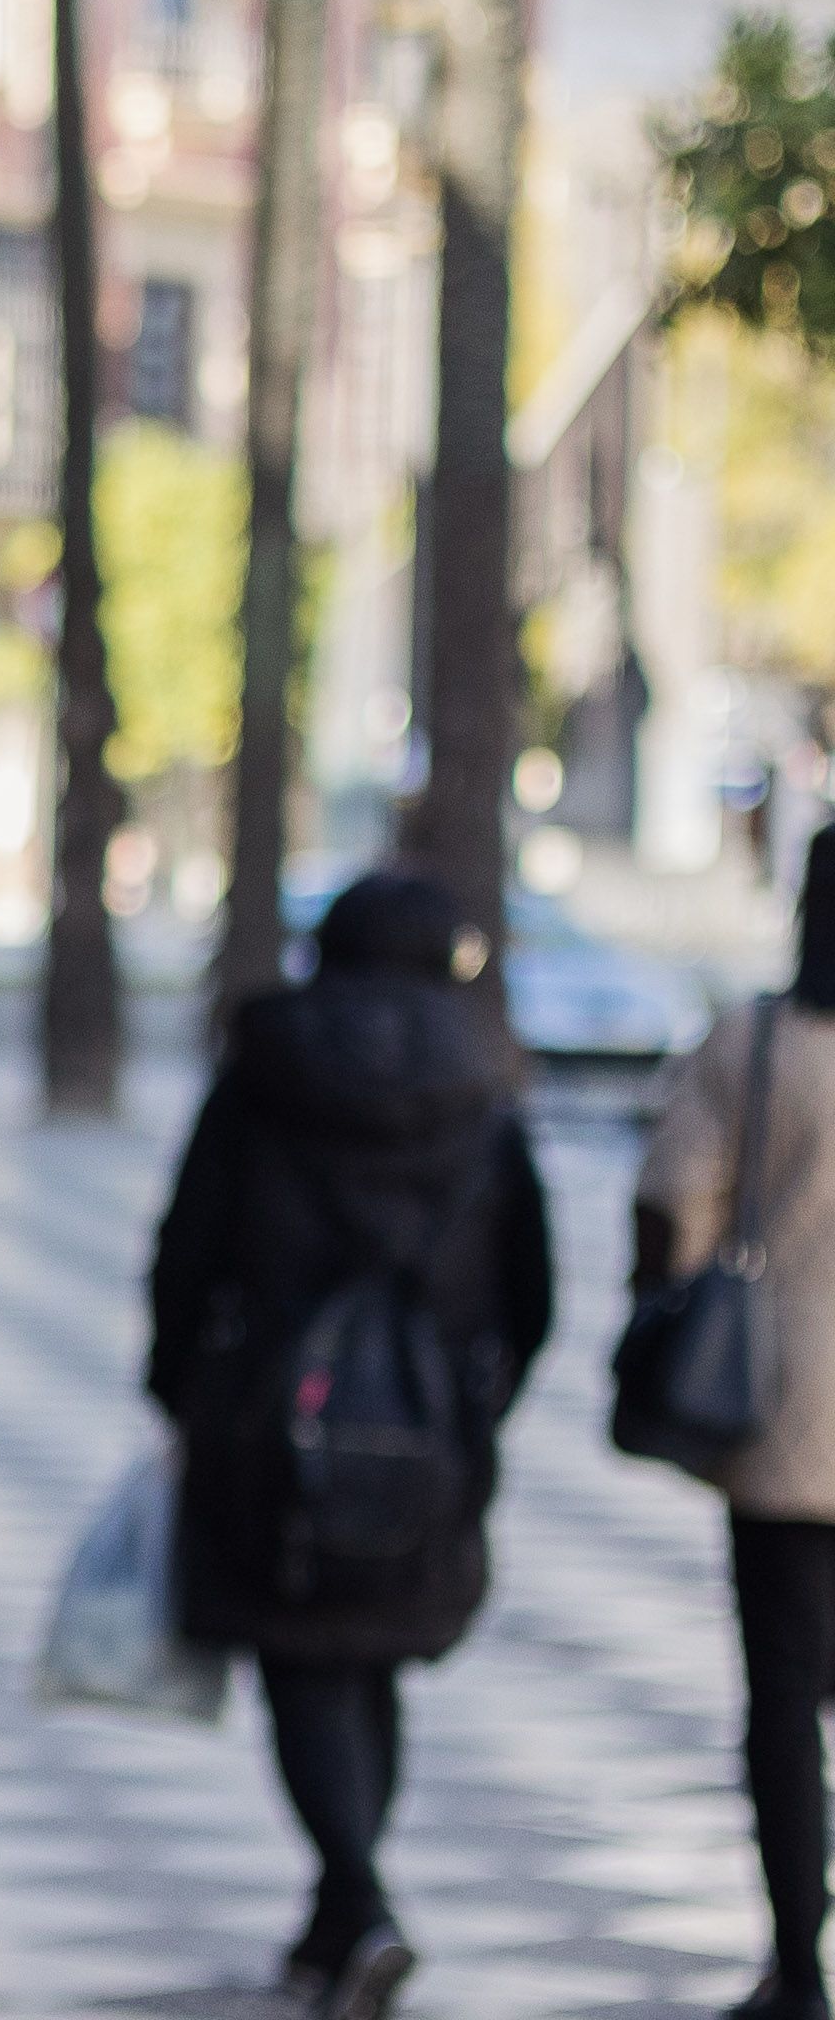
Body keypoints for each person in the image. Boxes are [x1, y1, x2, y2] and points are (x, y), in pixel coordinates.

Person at [147, 871, 553, 2020]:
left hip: (273, 1410)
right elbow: (533, 1284)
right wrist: (477, 1401)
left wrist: (181, 1382)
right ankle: (342, 1910)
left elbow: (192, 1239)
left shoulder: (265, 1070)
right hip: (428, 1423)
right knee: (366, 1659)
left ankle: (357, 1900)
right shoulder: (485, 1080)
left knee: (307, 1657)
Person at [638, 823, 835, 2020]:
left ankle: (797, 1965)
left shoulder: (757, 1044)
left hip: (785, 1421)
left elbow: (674, 1203)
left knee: (783, 1695)